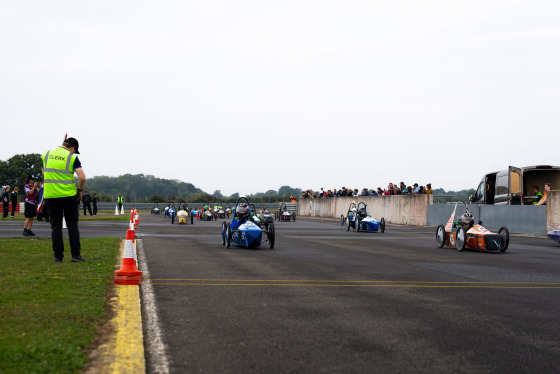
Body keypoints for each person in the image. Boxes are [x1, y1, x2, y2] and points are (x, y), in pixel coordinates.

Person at [42, 137, 86, 263]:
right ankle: (76, 255)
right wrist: (79, 190)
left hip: (51, 196)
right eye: (74, 151)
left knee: (56, 227)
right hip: (68, 196)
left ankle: (58, 257)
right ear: (72, 148)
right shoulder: (72, 157)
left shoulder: (46, 154)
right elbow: (82, 177)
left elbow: (44, 173)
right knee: (72, 226)